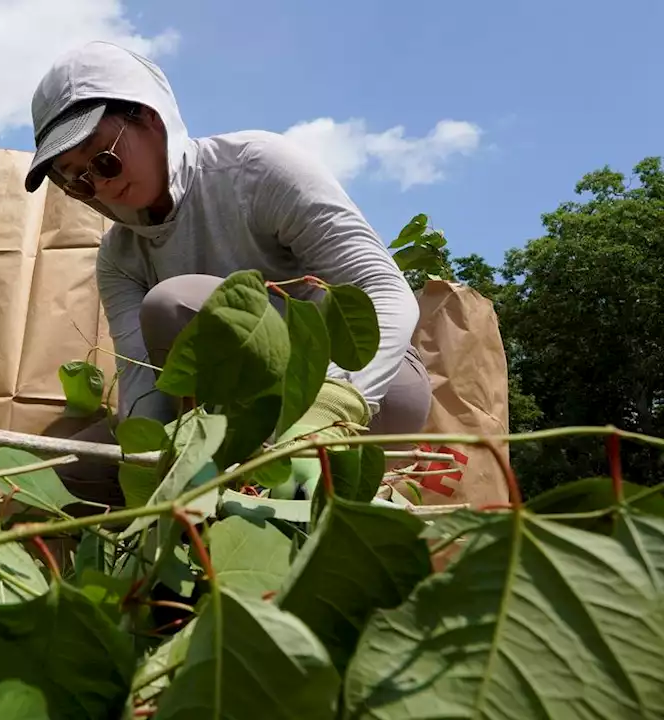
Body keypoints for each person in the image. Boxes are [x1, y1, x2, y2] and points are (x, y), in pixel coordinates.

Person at [23, 42, 431, 504]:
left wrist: (329, 409)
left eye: (103, 160)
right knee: (56, 477)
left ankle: (292, 470)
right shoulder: (119, 257)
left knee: (173, 304)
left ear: (151, 118)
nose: (99, 185)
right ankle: (237, 486)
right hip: (225, 424)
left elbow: (384, 290)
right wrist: (150, 478)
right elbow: (144, 389)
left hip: (368, 389)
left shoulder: (256, 171)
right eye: (75, 179)